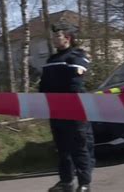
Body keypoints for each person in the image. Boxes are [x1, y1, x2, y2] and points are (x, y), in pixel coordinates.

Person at [39, 21, 95, 192]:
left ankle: (84, 183)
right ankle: (66, 181)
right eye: (54, 36)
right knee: (62, 149)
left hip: (74, 109)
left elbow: (75, 83)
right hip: (55, 111)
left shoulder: (76, 56)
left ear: (68, 38)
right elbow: (44, 85)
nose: (55, 40)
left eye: (58, 36)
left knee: (79, 147)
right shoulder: (51, 60)